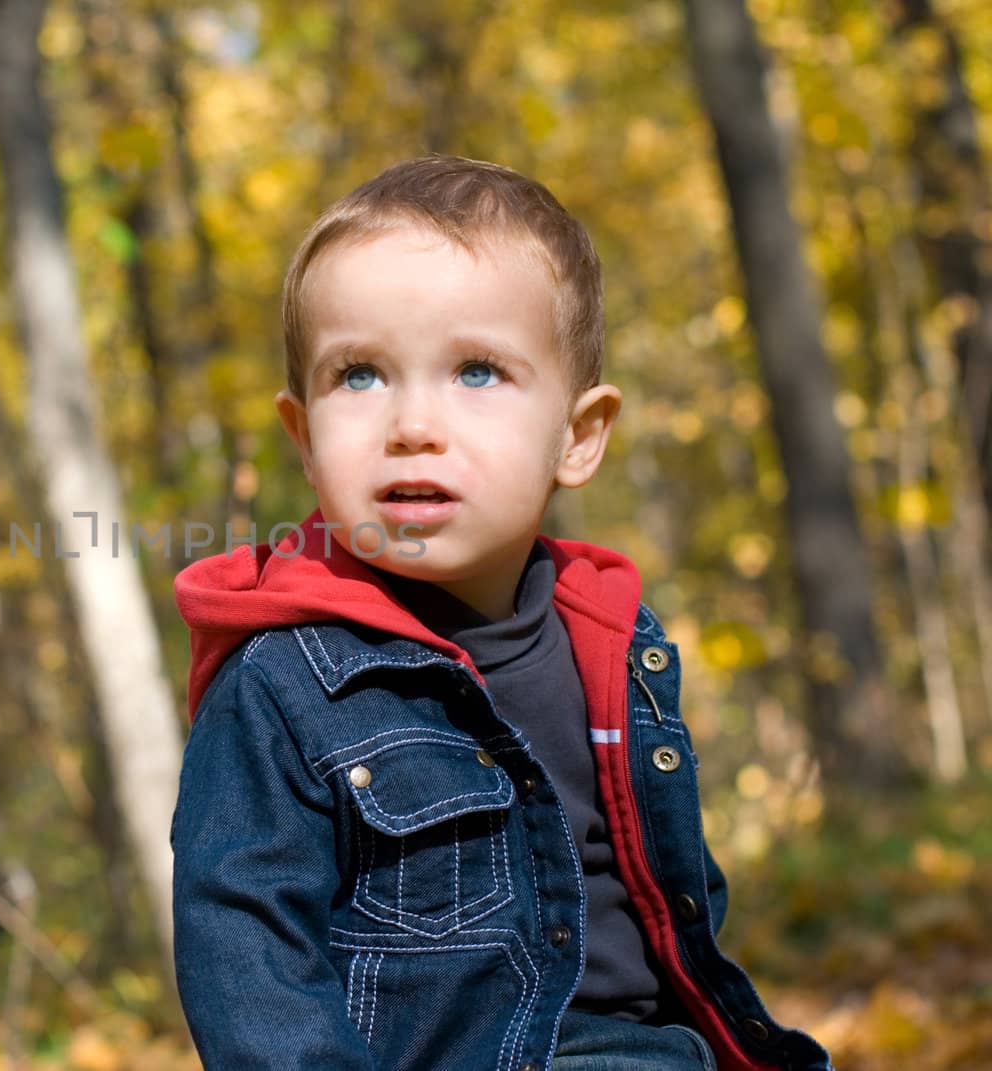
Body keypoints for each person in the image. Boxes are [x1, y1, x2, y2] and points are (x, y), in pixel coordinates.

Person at [170, 154, 832, 1071]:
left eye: (476, 371)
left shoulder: (612, 643)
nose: (411, 423)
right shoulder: (280, 683)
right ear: (305, 439)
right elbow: (247, 950)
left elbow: (668, 893)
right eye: (358, 375)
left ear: (578, 436)